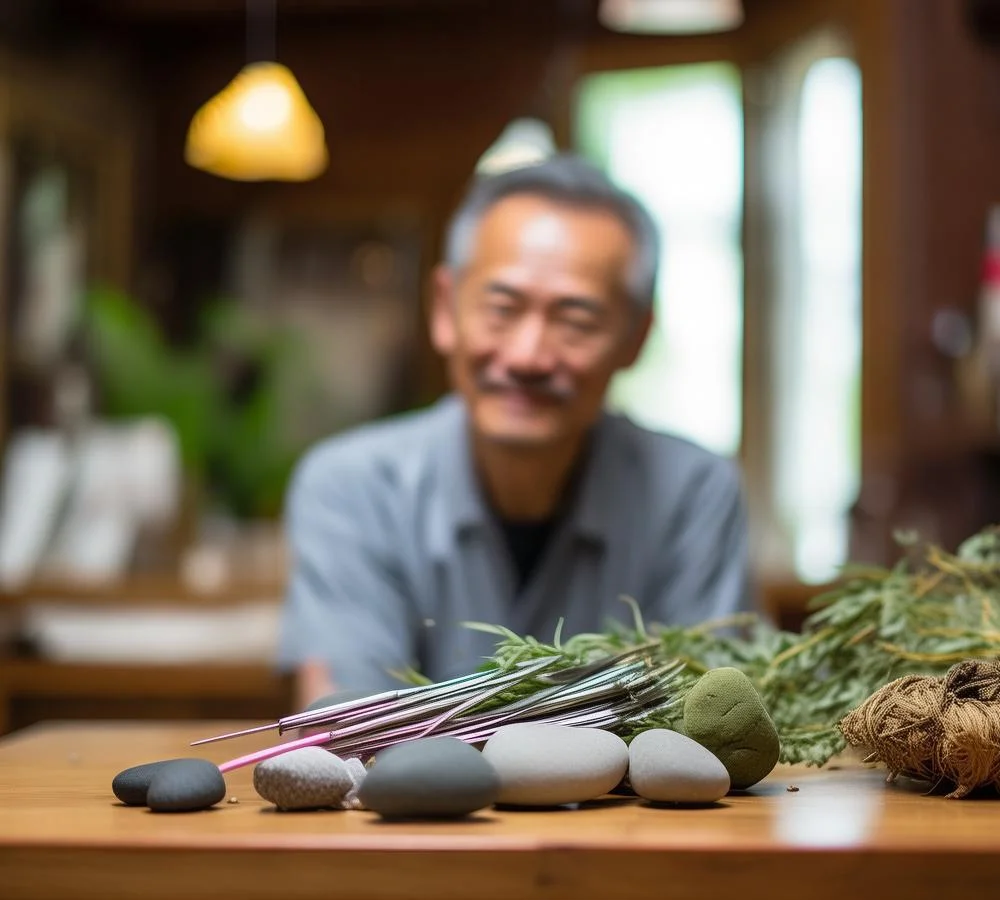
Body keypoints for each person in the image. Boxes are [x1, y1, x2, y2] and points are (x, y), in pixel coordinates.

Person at [278, 154, 752, 707]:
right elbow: (347, 723)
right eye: (501, 308)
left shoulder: (692, 493)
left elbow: (710, 719)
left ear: (636, 337)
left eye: (576, 321)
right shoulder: (353, 487)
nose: (528, 356)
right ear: (444, 309)